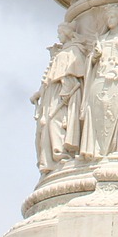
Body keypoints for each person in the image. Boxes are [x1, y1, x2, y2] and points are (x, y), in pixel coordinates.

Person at [80, 4, 118, 160]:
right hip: (100, 77)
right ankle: (96, 148)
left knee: (113, 113)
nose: (109, 20)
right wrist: (94, 56)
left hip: (115, 79)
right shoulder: (101, 39)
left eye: (112, 17)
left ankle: (115, 146)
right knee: (96, 112)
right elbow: (92, 61)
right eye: (107, 18)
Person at [31, 23, 88, 175]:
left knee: (55, 121)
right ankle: (49, 161)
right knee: (45, 123)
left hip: (63, 93)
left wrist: (67, 88)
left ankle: (60, 153)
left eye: (60, 32)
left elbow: (75, 76)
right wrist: (39, 93)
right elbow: (49, 79)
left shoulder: (74, 50)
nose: (58, 36)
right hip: (52, 93)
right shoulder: (61, 53)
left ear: (68, 33)